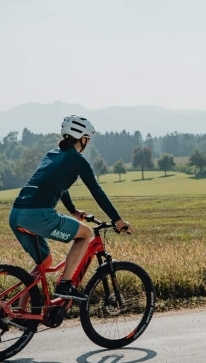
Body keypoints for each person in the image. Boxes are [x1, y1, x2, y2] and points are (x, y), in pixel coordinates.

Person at [8, 115, 132, 301]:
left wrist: (73, 210)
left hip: (16, 214)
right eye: (87, 140)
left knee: (45, 262)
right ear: (83, 138)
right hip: (39, 215)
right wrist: (117, 220)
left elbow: (58, 186)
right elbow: (96, 191)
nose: (87, 143)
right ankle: (65, 285)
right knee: (85, 234)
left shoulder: (53, 154)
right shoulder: (77, 160)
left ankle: (22, 312)